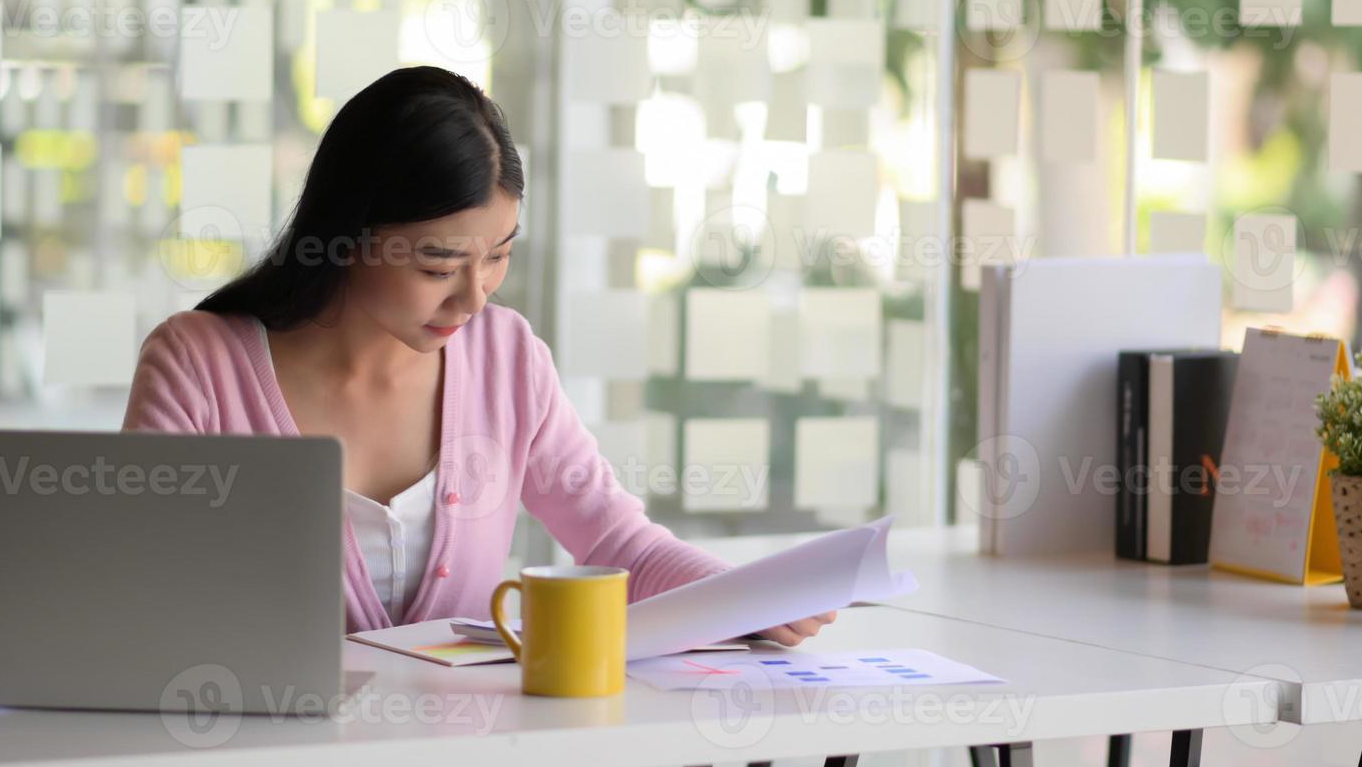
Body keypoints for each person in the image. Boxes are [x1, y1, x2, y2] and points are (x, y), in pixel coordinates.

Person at [122, 65, 836, 645]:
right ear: (347, 235)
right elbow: (131, 588)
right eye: (437, 265)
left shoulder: (507, 358)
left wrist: (746, 596)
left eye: (498, 257)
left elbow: (622, 544)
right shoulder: (198, 366)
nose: (473, 298)